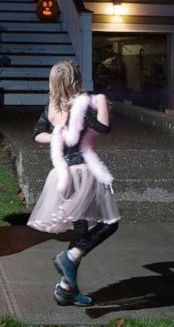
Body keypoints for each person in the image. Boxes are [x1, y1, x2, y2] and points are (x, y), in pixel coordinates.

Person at [27, 60, 119, 306]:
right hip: (82, 171)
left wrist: (56, 135)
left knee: (79, 230)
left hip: (62, 171)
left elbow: (37, 134)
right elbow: (104, 127)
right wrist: (101, 101)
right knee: (110, 223)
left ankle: (67, 289)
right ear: (76, 79)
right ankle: (70, 257)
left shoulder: (52, 107)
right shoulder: (82, 104)